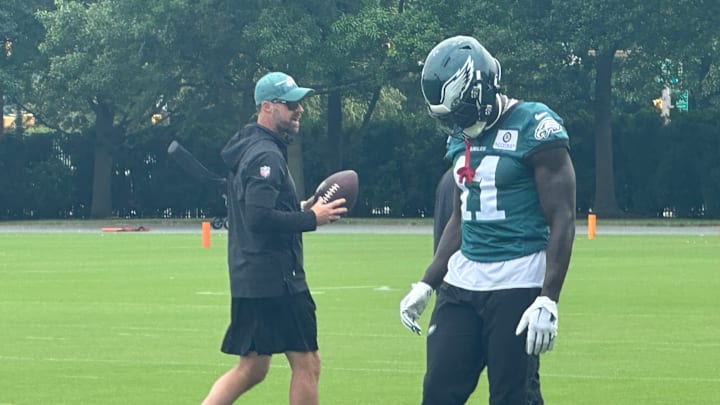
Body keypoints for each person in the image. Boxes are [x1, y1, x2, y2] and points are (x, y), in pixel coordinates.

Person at [400, 35, 576, 405]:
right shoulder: (460, 139)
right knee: (438, 392)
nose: (457, 125)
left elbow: (562, 217)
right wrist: (428, 282)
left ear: (482, 89)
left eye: (460, 113)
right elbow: (460, 217)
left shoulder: (536, 125)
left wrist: (548, 298)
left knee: (513, 396)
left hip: (518, 279)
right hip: (463, 282)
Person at [202, 71, 348, 405]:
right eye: (291, 104)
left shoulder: (251, 147)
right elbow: (258, 218)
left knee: (252, 367)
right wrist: (312, 218)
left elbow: (259, 205)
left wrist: (300, 206)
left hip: (251, 276)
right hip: (277, 279)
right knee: (307, 362)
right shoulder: (266, 155)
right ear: (267, 107)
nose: (300, 110)